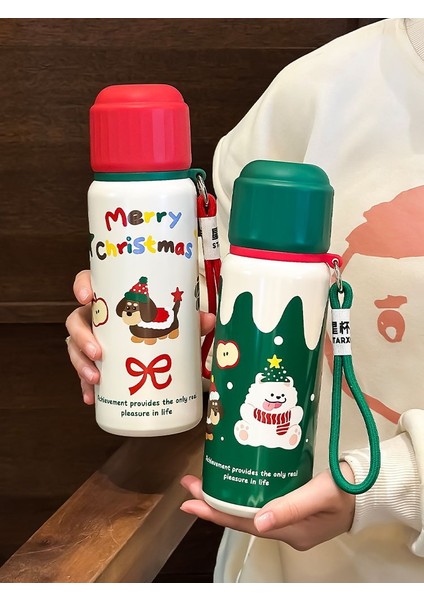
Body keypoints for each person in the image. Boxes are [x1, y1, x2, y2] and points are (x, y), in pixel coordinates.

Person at [66, 18, 424, 582]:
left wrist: (391, 485)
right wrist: (124, 323)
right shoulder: (317, 89)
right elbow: (222, 306)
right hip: (276, 569)